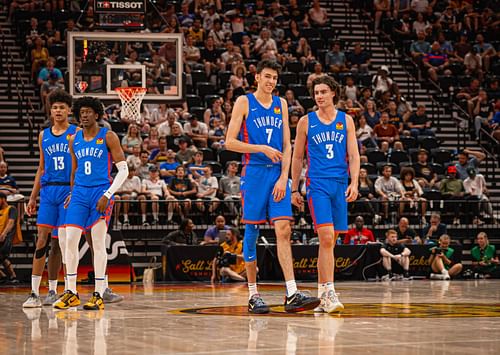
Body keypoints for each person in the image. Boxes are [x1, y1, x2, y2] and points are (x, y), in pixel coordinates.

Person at [226, 59, 320, 314]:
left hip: (277, 176)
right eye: (267, 76)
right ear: (257, 77)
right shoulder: (244, 102)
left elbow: (288, 145)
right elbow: (229, 142)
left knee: (284, 229)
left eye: (275, 78)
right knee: (252, 232)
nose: (271, 82)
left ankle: (291, 292)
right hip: (254, 173)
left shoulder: (281, 104)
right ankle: (253, 294)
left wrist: (284, 179)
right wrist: (261, 149)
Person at [291, 75, 360, 313]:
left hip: (340, 184)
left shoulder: (346, 121)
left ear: (333, 93)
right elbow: (298, 157)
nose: (319, 96)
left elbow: (353, 155)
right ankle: (330, 291)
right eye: (316, 93)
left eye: (322, 92)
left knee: (329, 242)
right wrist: (293, 188)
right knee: (328, 237)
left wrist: (355, 182)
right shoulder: (306, 122)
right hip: (317, 183)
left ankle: (321, 296)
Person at [55, 96, 128, 311]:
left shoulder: (109, 136)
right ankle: (71, 292)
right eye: (81, 112)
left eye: (88, 112)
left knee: (97, 243)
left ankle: (98, 294)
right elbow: (74, 171)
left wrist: (108, 194)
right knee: (69, 240)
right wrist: (71, 192)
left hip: (100, 192)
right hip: (78, 194)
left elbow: (123, 170)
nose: (84, 115)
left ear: (97, 114)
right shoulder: (73, 139)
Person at [23, 90, 77, 308]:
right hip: (48, 192)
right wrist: (32, 196)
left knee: (60, 243)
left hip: (67, 191)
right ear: (50, 110)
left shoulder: (76, 133)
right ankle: (34, 292)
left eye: (62, 107)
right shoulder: (43, 135)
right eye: (55, 107)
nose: (58, 110)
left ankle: (54, 290)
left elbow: (78, 166)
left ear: (69, 110)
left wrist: (76, 191)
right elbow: (41, 167)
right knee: (42, 240)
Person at [0, 192, 21, 284]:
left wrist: (4, 234)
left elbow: (11, 223)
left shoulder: (11, 209)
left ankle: (10, 276)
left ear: (3, 199)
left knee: (2, 257)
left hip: (7, 238)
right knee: (3, 258)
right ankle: (10, 276)